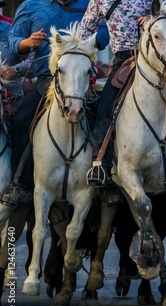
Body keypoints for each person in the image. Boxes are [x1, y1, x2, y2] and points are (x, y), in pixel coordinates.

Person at [80, 0, 166, 187]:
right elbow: (84, 32)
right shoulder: (100, 1)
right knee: (105, 107)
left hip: (157, 59)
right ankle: (101, 166)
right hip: (123, 60)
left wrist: (156, 19)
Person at [1, 0, 109, 206]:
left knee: (107, 115)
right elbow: (14, 40)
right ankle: (20, 185)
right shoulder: (31, 5)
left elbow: (104, 33)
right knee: (20, 122)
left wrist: (78, 45)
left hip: (83, 77)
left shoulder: (92, 4)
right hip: (46, 78)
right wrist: (28, 43)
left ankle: (106, 175)